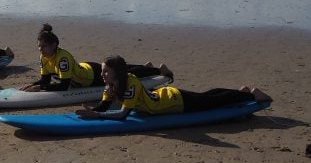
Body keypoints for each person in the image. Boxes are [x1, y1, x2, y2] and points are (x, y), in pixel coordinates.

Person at [76, 55, 271, 120]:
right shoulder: (110, 85)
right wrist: (92, 110)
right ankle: (241, 92)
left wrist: (97, 116)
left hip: (173, 102)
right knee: (207, 96)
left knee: (211, 102)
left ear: (116, 73)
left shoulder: (130, 84)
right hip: (163, 96)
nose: (101, 75)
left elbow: (123, 115)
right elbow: (104, 105)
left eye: (105, 72)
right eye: (102, 72)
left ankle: (253, 96)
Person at [20, 23, 169, 92]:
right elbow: (45, 79)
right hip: (85, 68)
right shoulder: (44, 57)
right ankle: (145, 67)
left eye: (44, 46)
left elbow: (64, 86)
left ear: (54, 45)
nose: (41, 50)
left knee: (123, 75)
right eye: (39, 46)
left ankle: (157, 70)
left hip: (92, 76)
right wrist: (32, 85)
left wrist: (40, 88)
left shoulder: (62, 58)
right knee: (121, 69)